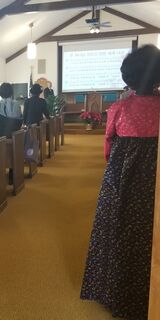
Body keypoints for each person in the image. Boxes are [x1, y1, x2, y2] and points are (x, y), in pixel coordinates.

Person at [81, 45, 160, 320]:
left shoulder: (119, 108)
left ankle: (114, 291)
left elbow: (108, 148)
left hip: (122, 177)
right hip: (155, 183)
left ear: (129, 78)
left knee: (117, 230)